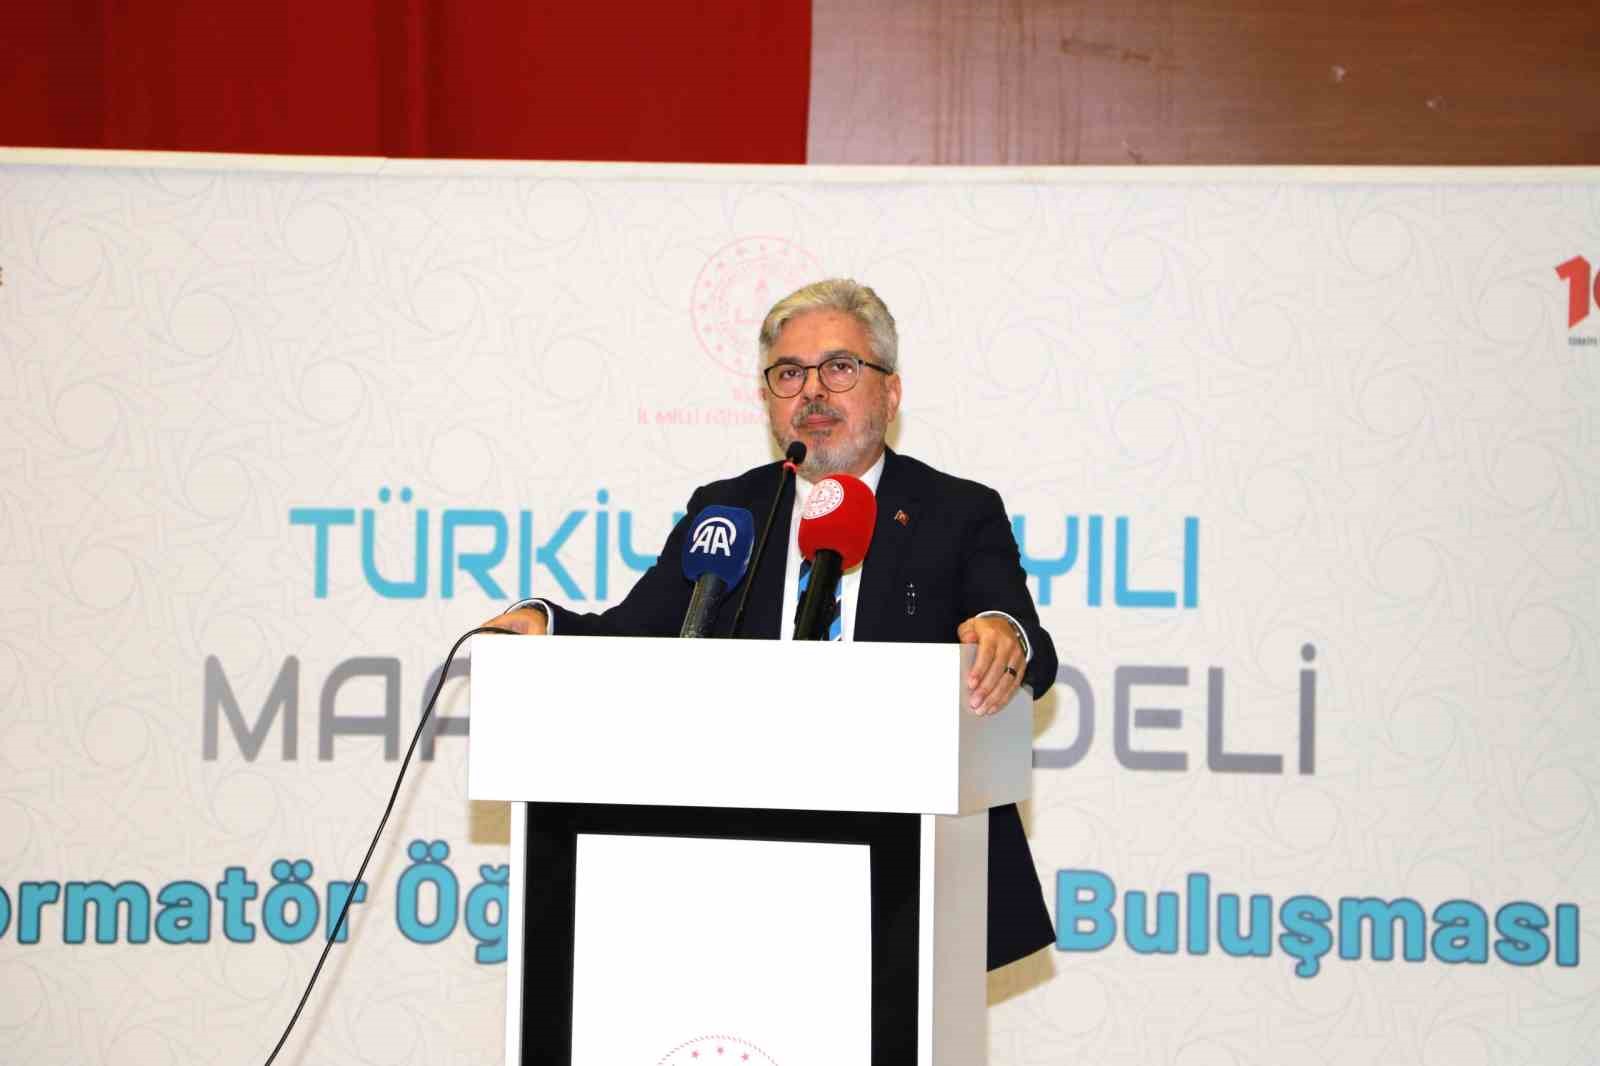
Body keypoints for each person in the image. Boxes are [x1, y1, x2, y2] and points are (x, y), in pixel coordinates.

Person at [483, 278, 1055, 1011]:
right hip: (736, 876)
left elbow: (1024, 640)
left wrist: (1004, 632)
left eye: (839, 367)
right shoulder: (730, 510)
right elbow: (636, 638)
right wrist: (549, 625)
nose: (812, 391)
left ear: (890, 391)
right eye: (789, 374)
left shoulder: (956, 511)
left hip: (911, 881)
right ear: (767, 399)